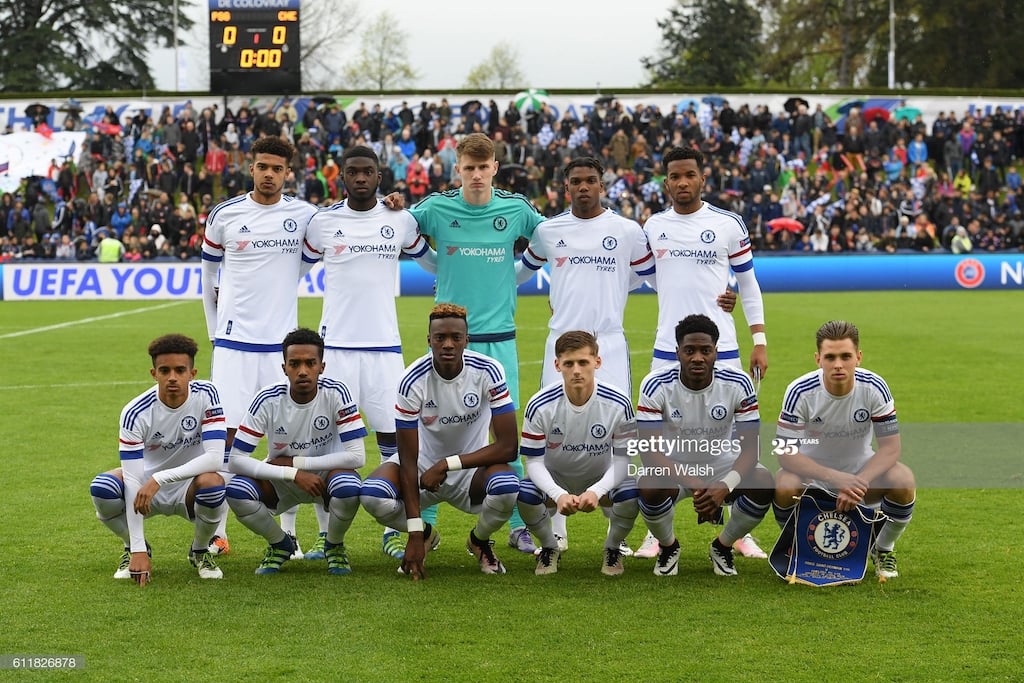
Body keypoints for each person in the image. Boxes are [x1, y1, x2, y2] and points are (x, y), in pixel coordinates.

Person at [409, 132, 544, 554]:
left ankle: (520, 523)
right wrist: (435, 263)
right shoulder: (436, 207)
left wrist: (515, 274)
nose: (477, 176)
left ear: (495, 169)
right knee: (433, 430)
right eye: (469, 168)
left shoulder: (516, 209)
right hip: (448, 342)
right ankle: (424, 524)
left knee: (508, 433)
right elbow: (400, 230)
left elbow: (548, 243)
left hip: (498, 340)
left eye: (484, 168)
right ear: (458, 169)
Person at [302, 145, 437, 561]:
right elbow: (291, 270)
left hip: (384, 349)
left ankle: (396, 530)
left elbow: (431, 263)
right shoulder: (322, 223)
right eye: (353, 172)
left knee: (394, 444)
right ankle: (329, 538)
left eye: (369, 172)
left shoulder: (399, 219)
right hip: (336, 349)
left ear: (381, 177)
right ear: (341, 176)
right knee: (327, 446)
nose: (361, 178)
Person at [635, 146, 769, 561]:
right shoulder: (653, 225)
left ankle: (737, 529)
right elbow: (648, 279)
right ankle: (658, 534)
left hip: (722, 346)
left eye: (689, 175)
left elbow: (747, 283)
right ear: (666, 182)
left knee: (728, 438)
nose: (682, 182)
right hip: (667, 347)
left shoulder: (727, 223)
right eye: (675, 176)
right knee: (667, 434)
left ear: (701, 179)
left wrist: (759, 337)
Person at [201, 135, 324, 559]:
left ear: (288, 173)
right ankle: (217, 533)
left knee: (286, 439)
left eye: (277, 168)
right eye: (262, 166)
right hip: (233, 345)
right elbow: (207, 280)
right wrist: (216, 335)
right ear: (251, 168)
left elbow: (308, 261)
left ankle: (288, 533)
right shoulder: (224, 215)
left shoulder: (306, 216)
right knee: (225, 438)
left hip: (281, 350)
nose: (269, 174)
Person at [359, 304, 520, 579]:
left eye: (456, 338)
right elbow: (407, 459)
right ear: (429, 340)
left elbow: (508, 446)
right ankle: (426, 535)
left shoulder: (488, 371)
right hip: (421, 469)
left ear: (467, 340)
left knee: (508, 487)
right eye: (439, 337)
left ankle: (479, 541)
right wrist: (414, 533)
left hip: (470, 471)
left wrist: (448, 463)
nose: (448, 344)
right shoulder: (411, 381)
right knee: (372, 495)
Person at [773, 320, 914, 581]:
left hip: (861, 476)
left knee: (903, 479)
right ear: (818, 359)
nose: (838, 364)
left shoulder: (874, 387)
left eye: (846, 356)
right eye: (830, 357)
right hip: (813, 480)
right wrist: (837, 479)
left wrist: (858, 481)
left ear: (858, 358)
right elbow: (785, 452)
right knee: (784, 482)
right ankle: (798, 545)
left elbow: (891, 448)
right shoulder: (800, 391)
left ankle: (882, 548)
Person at [635, 315, 774, 577]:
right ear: (678, 353)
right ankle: (668, 547)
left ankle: (723, 546)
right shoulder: (655, 384)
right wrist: (697, 484)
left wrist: (726, 485)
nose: (697, 357)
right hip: (673, 466)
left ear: (716, 353)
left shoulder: (738, 382)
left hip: (721, 464)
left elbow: (751, 448)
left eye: (705, 351)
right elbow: (650, 452)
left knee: (763, 480)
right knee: (650, 484)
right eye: (689, 351)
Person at [225, 328, 367, 575]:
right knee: (237, 491)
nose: (302, 371)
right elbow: (236, 461)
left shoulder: (336, 392)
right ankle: (280, 543)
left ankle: (333, 545)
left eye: (310, 363)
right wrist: (293, 473)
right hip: (283, 481)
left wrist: (297, 463)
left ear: (321, 367)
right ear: (284, 368)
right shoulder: (267, 399)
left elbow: (358, 457)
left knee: (349, 486)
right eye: (295, 364)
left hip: (326, 479)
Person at [89, 334, 228, 585]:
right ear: (154, 373)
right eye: (165, 370)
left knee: (214, 483)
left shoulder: (207, 394)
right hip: (144, 489)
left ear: (192, 372)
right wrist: (139, 548)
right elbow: (132, 477)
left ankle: (199, 551)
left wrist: (160, 478)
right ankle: (131, 547)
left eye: (180, 370)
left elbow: (215, 458)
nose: (172, 377)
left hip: (188, 485)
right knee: (103, 488)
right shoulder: (135, 412)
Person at [517, 331, 640, 576]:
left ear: (597, 362)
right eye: (568, 363)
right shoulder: (539, 405)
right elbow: (533, 462)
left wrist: (598, 490)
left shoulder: (619, 403)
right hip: (556, 481)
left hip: (601, 479)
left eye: (583, 362)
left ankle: (612, 547)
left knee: (631, 492)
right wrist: (558, 493)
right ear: (557, 365)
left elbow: (623, 460)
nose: (576, 370)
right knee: (524, 493)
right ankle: (549, 547)